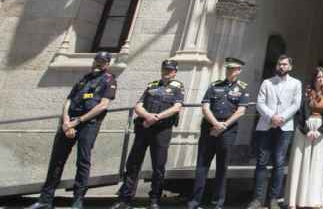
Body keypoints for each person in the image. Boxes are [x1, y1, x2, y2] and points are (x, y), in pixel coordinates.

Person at [28, 52, 117, 209]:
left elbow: (103, 105)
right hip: (69, 122)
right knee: (57, 160)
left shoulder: (109, 80)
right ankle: (45, 200)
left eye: (103, 62)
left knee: (82, 161)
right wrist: (66, 121)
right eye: (97, 60)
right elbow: (68, 100)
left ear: (107, 64)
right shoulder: (84, 79)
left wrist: (78, 121)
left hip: (88, 124)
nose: (99, 63)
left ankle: (77, 200)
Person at [112, 59, 184, 209]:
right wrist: (147, 116)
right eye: (165, 69)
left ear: (175, 72)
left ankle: (154, 199)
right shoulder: (152, 85)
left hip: (162, 130)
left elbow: (176, 107)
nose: (167, 73)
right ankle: (125, 198)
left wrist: (156, 117)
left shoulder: (178, 87)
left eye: (170, 70)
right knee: (133, 164)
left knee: (158, 165)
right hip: (144, 128)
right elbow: (138, 105)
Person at [188, 57, 250, 209]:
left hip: (228, 131)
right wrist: (215, 124)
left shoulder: (243, 88)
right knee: (202, 165)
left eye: (233, 69)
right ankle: (195, 201)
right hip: (209, 128)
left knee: (222, 167)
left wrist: (223, 126)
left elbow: (241, 110)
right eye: (228, 68)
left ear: (239, 71)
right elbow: (205, 107)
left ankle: (218, 203)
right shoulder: (214, 86)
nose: (230, 71)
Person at [248, 55, 303, 209]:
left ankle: (273, 199)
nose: (281, 67)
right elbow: (260, 103)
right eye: (279, 64)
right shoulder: (267, 82)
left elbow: (296, 104)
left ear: (290, 67)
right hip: (266, 126)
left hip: (285, 127)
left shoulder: (296, 83)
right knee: (261, 162)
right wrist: (272, 116)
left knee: (279, 163)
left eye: (285, 64)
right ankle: (257, 199)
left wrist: (282, 117)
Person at [287, 66, 323, 209]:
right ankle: (295, 201)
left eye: (322, 77)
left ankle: (312, 200)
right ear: (314, 78)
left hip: (320, 130)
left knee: (316, 163)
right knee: (300, 162)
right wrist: (306, 130)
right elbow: (300, 113)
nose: (320, 79)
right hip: (304, 129)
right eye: (318, 77)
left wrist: (320, 131)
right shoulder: (306, 93)